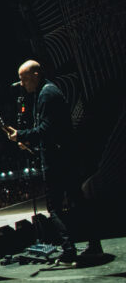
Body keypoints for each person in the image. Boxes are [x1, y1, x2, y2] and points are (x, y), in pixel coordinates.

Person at [6, 59, 102, 264]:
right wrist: (29, 142)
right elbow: (51, 132)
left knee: (54, 208)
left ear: (36, 75)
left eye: (24, 79)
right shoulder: (45, 92)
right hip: (65, 157)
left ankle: (69, 250)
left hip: (58, 162)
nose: (22, 83)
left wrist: (21, 135)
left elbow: (45, 129)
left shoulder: (47, 94)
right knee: (78, 201)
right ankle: (94, 244)